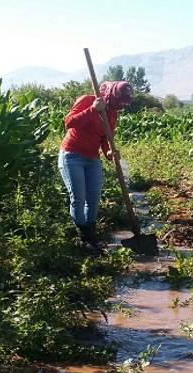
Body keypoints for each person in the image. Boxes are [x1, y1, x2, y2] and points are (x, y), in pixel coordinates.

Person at [58, 80, 133, 249]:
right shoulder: (87, 100)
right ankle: (85, 238)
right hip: (72, 156)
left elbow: (105, 139)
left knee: (93, 199)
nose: (121, 106)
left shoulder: (113, 114)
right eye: (120, 102)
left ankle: (90, 236)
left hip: (92, 159)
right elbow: (69, 122)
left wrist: (109, 153)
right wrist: (92, 109)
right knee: (78, 198)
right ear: (113, 95)